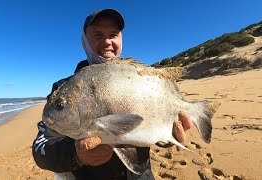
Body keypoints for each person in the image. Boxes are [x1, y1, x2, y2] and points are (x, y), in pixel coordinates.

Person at [32, 8, 193, 180]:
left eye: (113, 34)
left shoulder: (142, 78)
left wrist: (168, 136)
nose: (107, 41)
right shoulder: (63, 89)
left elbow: (147, 126)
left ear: (121, 39)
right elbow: (41, 148)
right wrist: (76, 154)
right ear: (84, 41)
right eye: (97, 35)